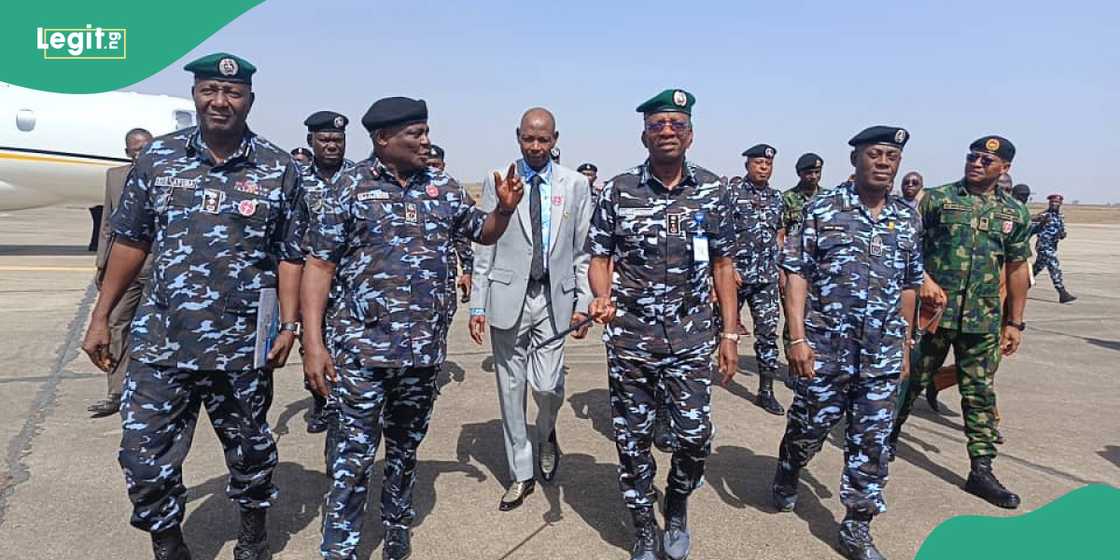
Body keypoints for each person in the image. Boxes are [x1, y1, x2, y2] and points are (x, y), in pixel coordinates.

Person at [79, 52, 304, 560]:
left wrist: (288, 325)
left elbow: (291, 254)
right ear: (195, 95)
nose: (220, 102)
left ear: (249, 100)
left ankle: (252, 535)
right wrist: (102, 316)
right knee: (143, 459)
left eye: (232, 94)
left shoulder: (277, 167)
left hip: (243, 344)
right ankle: (167, 541)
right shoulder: (159, 160)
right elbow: (130, 241)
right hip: (162, 341)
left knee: (249, 452)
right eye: (209, 91)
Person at [300, 96, 523, 560]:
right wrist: (313, 344)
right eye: (415, 134)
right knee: (352, 457)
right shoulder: (347, 187)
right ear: (383, 139)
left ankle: (396, 523)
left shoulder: (442, 187)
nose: (425, 141)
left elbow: (480, 233)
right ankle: (339, 543)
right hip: (360, 352)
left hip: (421, 355)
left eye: (425, 132)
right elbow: (319, 266)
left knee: (404, 449)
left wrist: (502, 211)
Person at [585, 88, 738, 560]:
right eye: (657, 125)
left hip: (692, 336)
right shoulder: (618, 190)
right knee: (632, 441)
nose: (666, 132)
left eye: (676, 124)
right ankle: (643, 528)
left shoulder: (713, 190)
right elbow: (599, 255)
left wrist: (729, 333)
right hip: (631, 338)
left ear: (690, 135)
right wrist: (602, 295)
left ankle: (676, 503)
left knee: (694, 436)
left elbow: (723, 265)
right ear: (644, 134)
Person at [774, 125, 920, 560]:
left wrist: (906, 345)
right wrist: (797, 337)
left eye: (891, 157)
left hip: (882, 351)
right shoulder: (824, 208)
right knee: (809, 426)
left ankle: (858, 523)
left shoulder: (906, 217)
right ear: (855, 159)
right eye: (874, 154)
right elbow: (795, 272)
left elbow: (910, 285)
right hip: (827, 347)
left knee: (872, 440)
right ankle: (789, 467)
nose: (883, 163)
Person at [891, 135, 1030, 510]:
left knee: (980, 393)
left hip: (982, 320)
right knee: (912, 378)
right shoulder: (937, 199)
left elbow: (1017, 269)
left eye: (987, 160)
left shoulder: (1014, 214)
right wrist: (923, 280)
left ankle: (981, 470)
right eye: (973, 156)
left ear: (1005, 168)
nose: (977, 163)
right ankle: (885, 439)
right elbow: (906, 246)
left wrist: (1015, 322)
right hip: (934, 313)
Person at [468, 107, 593, 511]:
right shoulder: (498, 180)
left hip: (555, 298)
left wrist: (585, 302)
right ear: (518, 137)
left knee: (547, 385)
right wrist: (477, 304)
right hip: (509, 298)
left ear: (555, 139)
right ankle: (521, 472)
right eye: (528, 139)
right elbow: (484, 243)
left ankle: (547, 432)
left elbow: (583, 250)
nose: (536, 146)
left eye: (543, 139)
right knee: (510, 387)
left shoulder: (574, 185)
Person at [88, 127, 154, 418]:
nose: (140, 154)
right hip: (122, 267)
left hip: (156, 265)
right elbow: (107, 225)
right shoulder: (114, 177)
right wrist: (103, 265)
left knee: (154, 329)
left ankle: (152, 392)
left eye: (146, 148)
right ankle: (116, 391)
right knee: (115, 326)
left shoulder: (168, 176)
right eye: (135, 150)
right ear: (127, 152)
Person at [298, 110, 355, 435]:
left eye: (338, 140)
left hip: (350, 280)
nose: (332, 145)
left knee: (347, 345)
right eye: (325, 140)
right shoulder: (298, 181)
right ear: (311, 141)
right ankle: (321, 402)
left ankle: (345, 401)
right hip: (313, 279)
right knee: (312, 342)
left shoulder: (359, 177)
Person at [730, 143, 786, 415]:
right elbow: (714, 231)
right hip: (734, 278)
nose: (763, 168)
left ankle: (766, 391)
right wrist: (725, 268)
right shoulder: (731, 194)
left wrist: (780, 268)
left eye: (768, 164)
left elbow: (780, 233)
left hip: (765, 279)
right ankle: (696, 384)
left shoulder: (777, 198)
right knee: (712, 330)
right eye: (758, 163)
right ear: (747, 165)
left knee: (767, 335)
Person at [426, 144, 476, 307]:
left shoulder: (452, 192)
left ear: (443, 166)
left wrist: (467, 271)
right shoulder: (407, 191)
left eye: (436, 165)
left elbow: (462, 236)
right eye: (428, 165)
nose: (432, 169)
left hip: (443, 278)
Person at [1033, 194, 1076, 303]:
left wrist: (1062, 234)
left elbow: (1061, 230)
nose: (1054, 204)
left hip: (1052, 245)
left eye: (1057, 202)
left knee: (1037, 268)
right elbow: (1031, 226)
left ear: (1060, 204)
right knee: (1054, 267)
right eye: (1052, 202)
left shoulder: (1060, 217)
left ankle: (1021, 286)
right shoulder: (1044, 215)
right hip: (1044, 246)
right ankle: (1062, 293)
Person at [781, 153, 824, 236]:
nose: (814, 176)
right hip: (796, 246)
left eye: (817, 172)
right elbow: (781, 231)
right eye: (809, 173)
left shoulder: (828, 197)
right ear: (799, 173)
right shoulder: (787, 198)